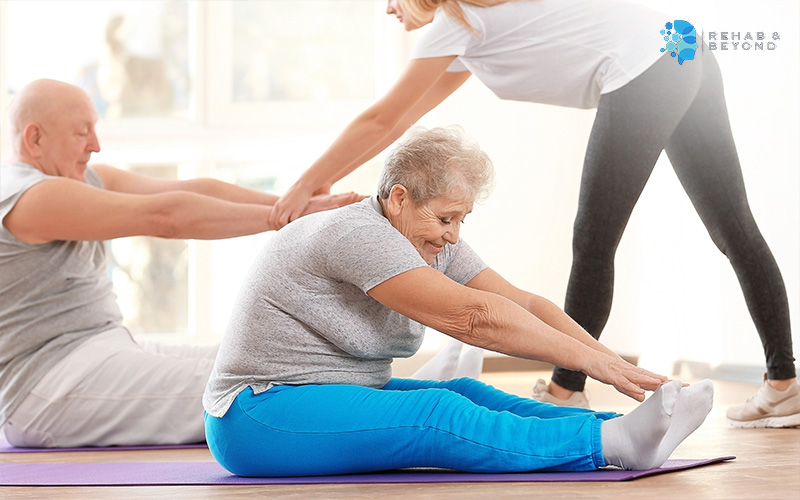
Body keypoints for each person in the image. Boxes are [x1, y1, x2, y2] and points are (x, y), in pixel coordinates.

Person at [268, 0, 798, 428]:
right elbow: (404, 117)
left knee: (594, 239)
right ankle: (783, 383)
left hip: (649, 62)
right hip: (683, 45)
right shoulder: (469, 34)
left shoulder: (458, 22)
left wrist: (305, 186)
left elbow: (382, 118)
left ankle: (566, 391)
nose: (389, 9)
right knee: (734, 227)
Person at [203, 126, 713, 477]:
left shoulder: (427, 238)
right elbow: (476, 319)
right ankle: (611, 447)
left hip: (324, 395)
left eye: (461, 220)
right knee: (437, 411)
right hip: (256, 414)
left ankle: (622, 429)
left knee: (470, 392)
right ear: (399, 198)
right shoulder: (359, 233)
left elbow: (523, 304)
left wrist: (611, 362)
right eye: (446, 218)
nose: (453, 235)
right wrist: (592, 365)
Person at [0, 79, 363, 448]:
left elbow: (194, 190)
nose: (95, 144)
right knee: (256, 382)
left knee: (278, 359)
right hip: (46, 386)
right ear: (35, 138)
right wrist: (282, 219)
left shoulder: (85, 179)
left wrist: (299, 207)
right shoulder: (30, 196)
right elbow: (166, 217)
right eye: (82, 132)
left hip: (102, 349)